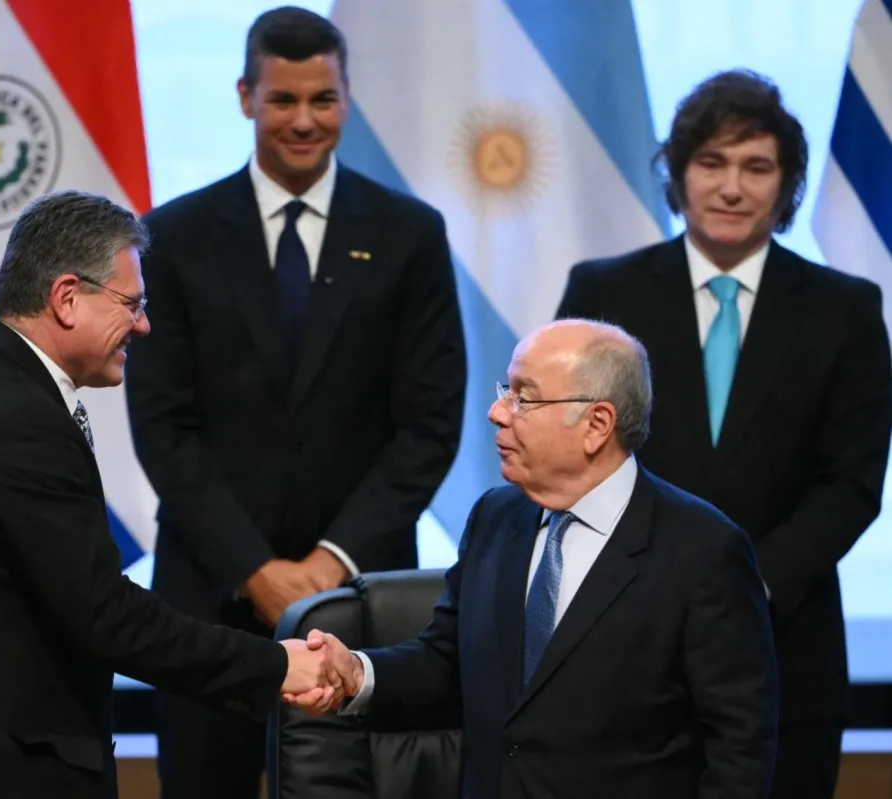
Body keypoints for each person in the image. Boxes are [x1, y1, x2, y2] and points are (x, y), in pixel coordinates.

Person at [0, 190, 345, 799]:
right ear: (67, 297)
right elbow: (106, 616)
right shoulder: (16, 421)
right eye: (132, 304)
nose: (143, 325)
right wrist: (278, 665)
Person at [123, 6, 466, 797]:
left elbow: (430, 422)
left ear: (348, 97)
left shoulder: (410, 233)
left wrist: (327, 564)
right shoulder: (170, 236)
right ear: (246, 97)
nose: (304, 120)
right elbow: (163, 425)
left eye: (323, 99)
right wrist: (254, 568)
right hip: (208, 595)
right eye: (283, 100)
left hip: (362, 596)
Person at [554, 69, 892, 799]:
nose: (732, 186)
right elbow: (566, 454)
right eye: (711, 162)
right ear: (677, 175)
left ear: (788, 184)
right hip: (624, 644)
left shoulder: (847, 310)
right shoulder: (602, 294)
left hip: (787, 652)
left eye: (756, 166)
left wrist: (747, 586)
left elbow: (852, 482)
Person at [302, 320, 779, 798]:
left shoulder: (703, 550)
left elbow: (739, 749)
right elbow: (449, 664)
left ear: (596, 425)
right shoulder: (495, 516)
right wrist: (358, 673)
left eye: (523, 398)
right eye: (504, 391)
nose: (496, 412)